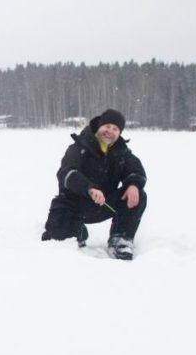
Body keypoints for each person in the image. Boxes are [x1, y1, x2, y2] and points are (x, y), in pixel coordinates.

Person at [40, 108, 147, 260]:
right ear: (99, 126)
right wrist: (89, 188)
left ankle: (120, 239)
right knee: (55, 239)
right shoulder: (78, 147)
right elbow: (66, 173)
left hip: (103, 204)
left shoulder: (122, 153)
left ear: (119, 133)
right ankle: (77, 231)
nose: (110, 131)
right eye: (107, 126)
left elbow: (135, 170)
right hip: (73, 204)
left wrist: (133, 185)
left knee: (138, 194)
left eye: (115, 129)